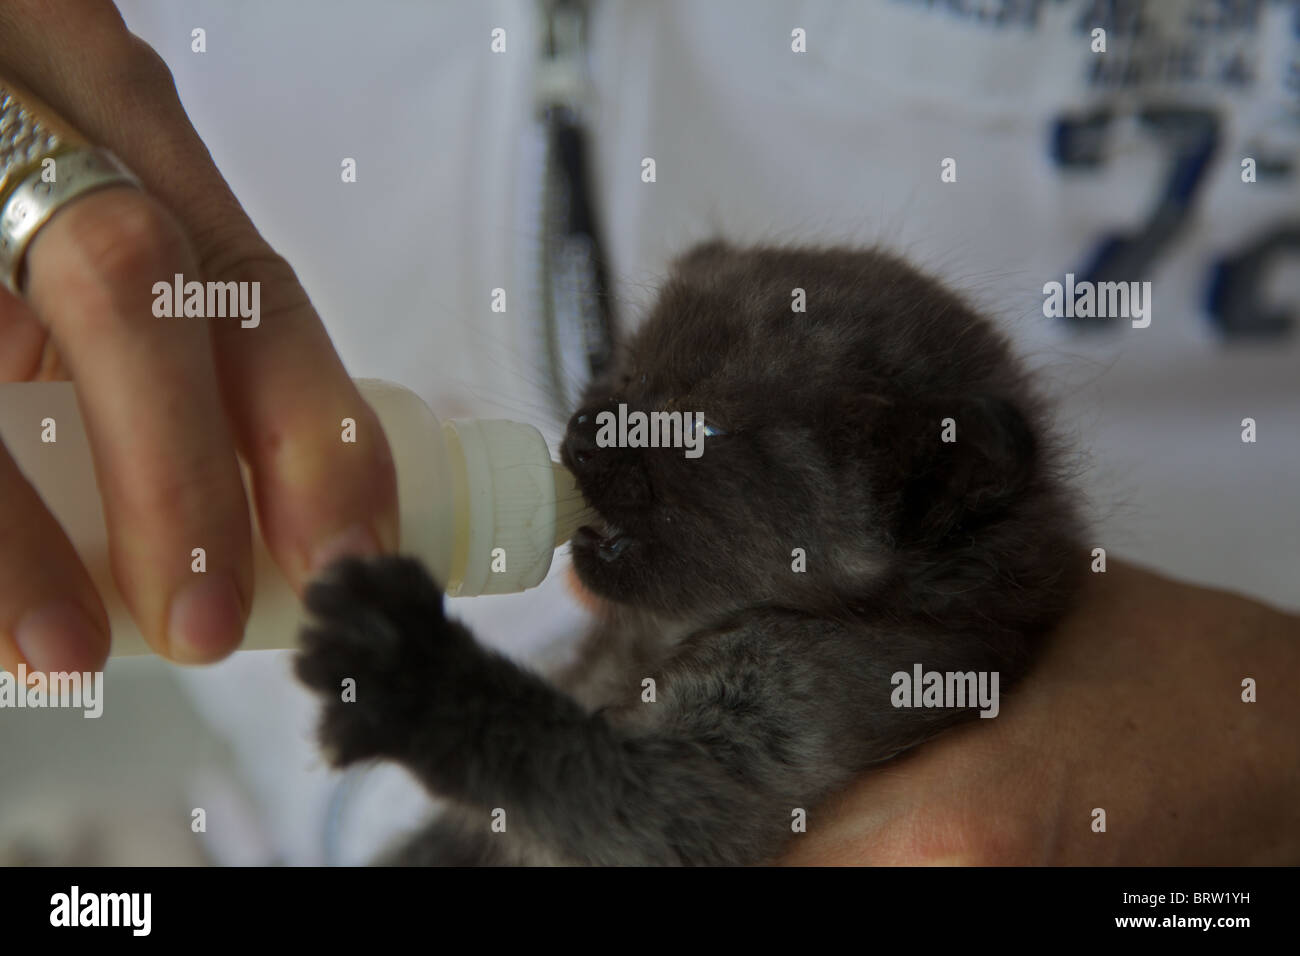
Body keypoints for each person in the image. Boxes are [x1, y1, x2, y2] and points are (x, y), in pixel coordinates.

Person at [1, 0, 1295, 864]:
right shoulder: (804, 580)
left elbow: (661, 811)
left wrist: (439, 697)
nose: (589, 469)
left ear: (923, 494)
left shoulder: (886, 652)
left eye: (700, 454)